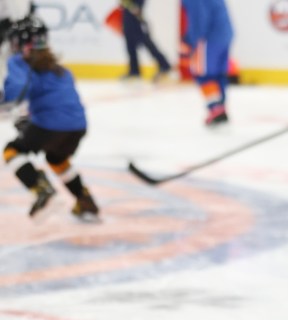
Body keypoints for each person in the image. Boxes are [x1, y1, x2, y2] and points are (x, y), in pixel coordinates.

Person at [1, 16, 100, 222]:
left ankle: (41, 190)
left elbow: (16, 92)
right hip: (77, 126)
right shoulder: (59, 68)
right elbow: (56, 100)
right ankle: (85, 202)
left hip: (50, 125)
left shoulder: (20, 61)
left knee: (12, 150)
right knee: (57, 158)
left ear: (19, 43)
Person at [180, 0, 234, 126]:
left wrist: (191, 39)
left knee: (203, 73)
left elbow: (200, 17)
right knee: (218, 73)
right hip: (224, 33)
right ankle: (221, 107)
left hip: (209, 37)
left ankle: (215, 108)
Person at [118, 1, 172, 83]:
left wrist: (134, 5)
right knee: (130, 45)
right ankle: (134, 71)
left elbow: (136, 6)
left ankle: (164, 65)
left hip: (136, 19)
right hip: (128, 17)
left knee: (147, 43)